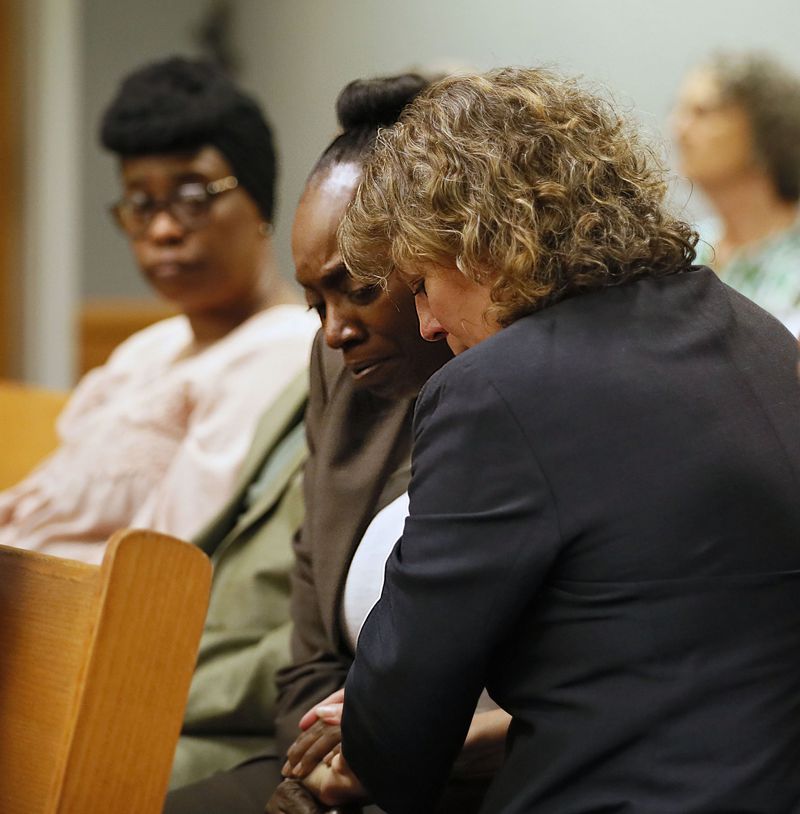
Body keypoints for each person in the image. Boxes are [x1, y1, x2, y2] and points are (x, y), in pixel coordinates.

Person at [298, 67, 800, 813]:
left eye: (422, 285)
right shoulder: (757, 334)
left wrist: (369, 736)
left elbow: (399, 727)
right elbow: (674, 663)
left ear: (474, 246)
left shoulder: (495, 393)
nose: (430, 324)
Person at [164, 74, 501, 814]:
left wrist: (380, 758)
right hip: (328, 767)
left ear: (431, 257)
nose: (334, 327)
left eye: (358, 286)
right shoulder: (343, 373)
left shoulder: (513, 393)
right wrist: (325, 765)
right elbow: (309, 657)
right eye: (315, 299)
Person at [0, 56, 317, 564]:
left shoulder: (286, 351)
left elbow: (159, 568)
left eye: (192, 196)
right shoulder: (149, 348)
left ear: (259, 201)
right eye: (141, 203)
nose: (163, 230)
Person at [673, 52, 800, 332]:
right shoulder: (685, 250)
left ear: (764, 128)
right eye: (681, 111)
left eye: (703, 112)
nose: (679, 130)